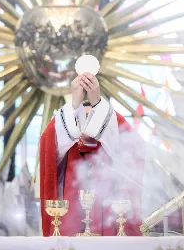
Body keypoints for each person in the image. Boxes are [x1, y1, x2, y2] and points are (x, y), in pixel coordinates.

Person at [40, 72, 145, 236]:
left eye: (93, 116)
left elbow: (132, 147)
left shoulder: (112, 129)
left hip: (109, 216)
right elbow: (50, 144)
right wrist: (74, 102)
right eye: (83, 116)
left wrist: (97, 102)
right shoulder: (65, 133)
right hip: (70, 218)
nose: (87, 124)